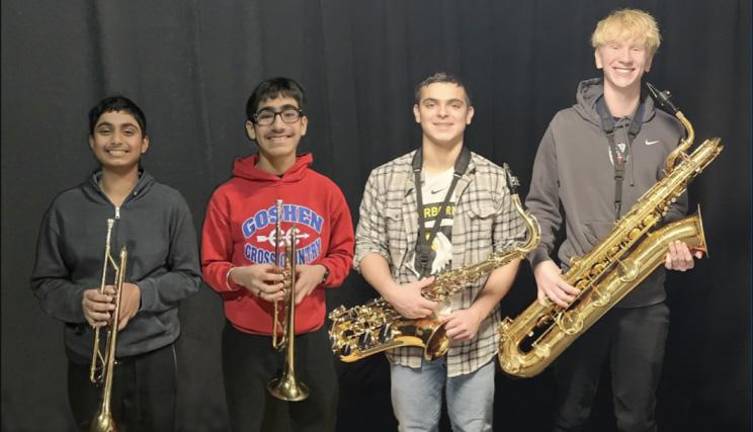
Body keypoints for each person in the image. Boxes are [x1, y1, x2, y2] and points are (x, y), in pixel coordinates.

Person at [525, 9, 703, 432]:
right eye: (615, 47)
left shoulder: (671, 130)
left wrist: (677, 249)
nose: (625, 57)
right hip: (575, 293)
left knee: (638, 419)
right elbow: (540, 205)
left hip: (644, 302)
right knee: (570, 416)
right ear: (598, 58)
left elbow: (674, 211)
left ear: (649, 61)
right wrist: (541, 263)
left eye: (636, 48)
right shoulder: (563, 126)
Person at [354, 72, 527, 431]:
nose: (443, 114)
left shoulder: (495, 179)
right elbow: (367, 246)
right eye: (432, 104)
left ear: (469, 114)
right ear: (417, 112)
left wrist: (478, 312)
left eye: (454, 105)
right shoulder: (383, 178)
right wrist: (394, 293)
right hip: (407, 337)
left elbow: (511, 253)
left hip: (473, 339)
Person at [30, 95, 202, 431]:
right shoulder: (65, 207)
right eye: (105, 131)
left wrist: (140, 293)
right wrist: (80, 301)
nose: (117, 140)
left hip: (154, 357)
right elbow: (45, 283)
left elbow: (189, 277)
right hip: (87, 359)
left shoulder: (170, 203)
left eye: (129, 131)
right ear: (92, 142)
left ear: (144, 142)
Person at [201, 77, 354, 432]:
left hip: (309, 337)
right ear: (251, 129)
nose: (278, 124)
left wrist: (320, 272)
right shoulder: (227, 195)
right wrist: (241, 275)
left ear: (303, 124)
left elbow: (344, 253)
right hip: (247, 342)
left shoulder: (326, 191)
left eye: (288, 113)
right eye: (266, 116)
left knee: (317, 422)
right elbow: (210, 266)